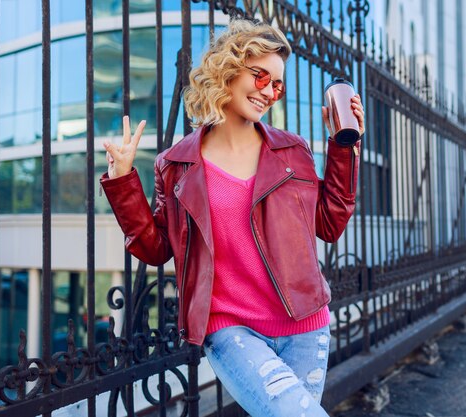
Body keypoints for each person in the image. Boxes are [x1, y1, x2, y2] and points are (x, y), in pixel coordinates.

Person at [100, 18, 364, 417]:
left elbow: (329, 224)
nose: (269, 93)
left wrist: (344, 150)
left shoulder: (293, 151)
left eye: (278, 85)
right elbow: (155, 248)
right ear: (229, 69)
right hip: (229, 329)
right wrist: (123, 183)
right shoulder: (174, 165)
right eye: (261, 77)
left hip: (307, 326)